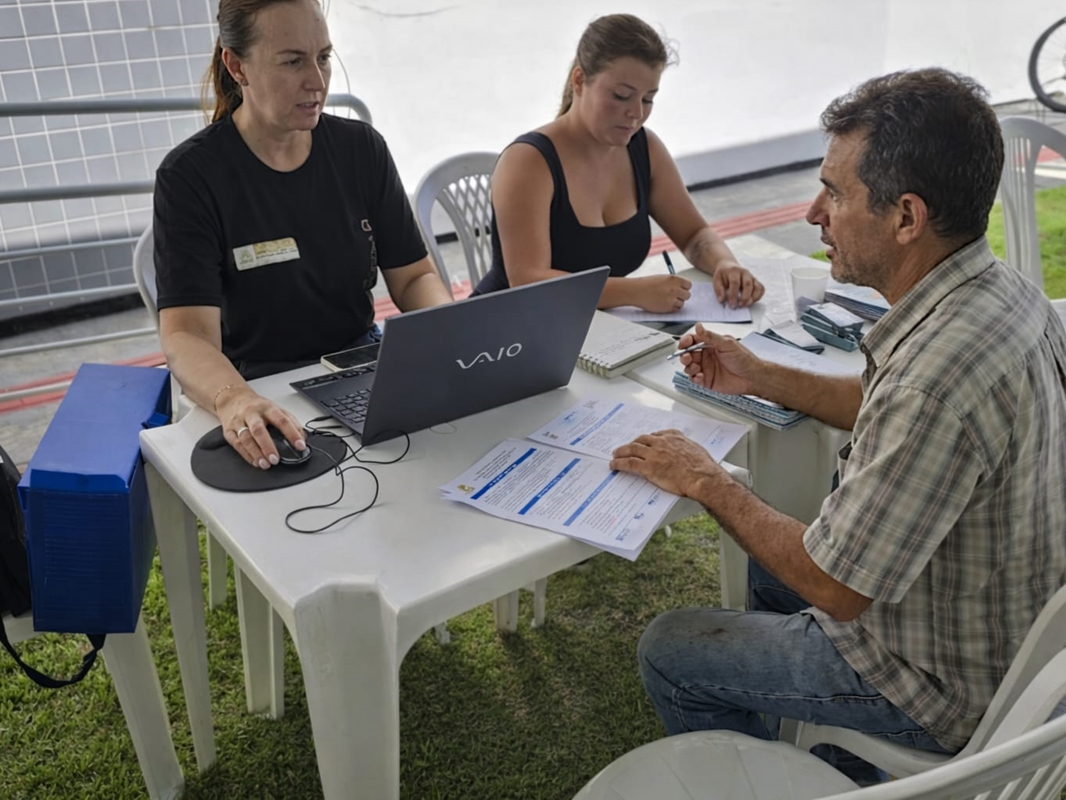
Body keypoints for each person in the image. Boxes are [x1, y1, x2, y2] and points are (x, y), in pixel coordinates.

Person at [610, 67, 1066, 782]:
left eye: (834, 192)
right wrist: (761, 373)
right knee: (769, 557)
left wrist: (707, 480)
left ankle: (778, 781)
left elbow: (836, 588)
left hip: (935, 680)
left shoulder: (933, 380)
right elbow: (886, 407)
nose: (813, 214)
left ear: (906, 217)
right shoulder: (999, 291)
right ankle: (803, 748)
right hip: (1004, 627)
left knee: (669, 648)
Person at [152, 0, 451, 470]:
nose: (317, 80)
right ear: (237, 66)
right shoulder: (192, 176)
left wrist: (449, 336)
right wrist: (235, 400)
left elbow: (413, 276)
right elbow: (187, 334)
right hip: (257, 384)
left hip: (359, 366)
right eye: (292, 61)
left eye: (324, 57)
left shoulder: (361, 150)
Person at [473, 14, 765, 312]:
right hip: (505, 332)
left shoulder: (644, 147)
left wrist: (725, 264)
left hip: (596, 329)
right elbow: (528, 280)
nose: (636, 113)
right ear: (579, 81)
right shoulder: (529, 161)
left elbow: (695, 236)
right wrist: (633, 291)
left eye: (648, 99)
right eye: (621, 96)